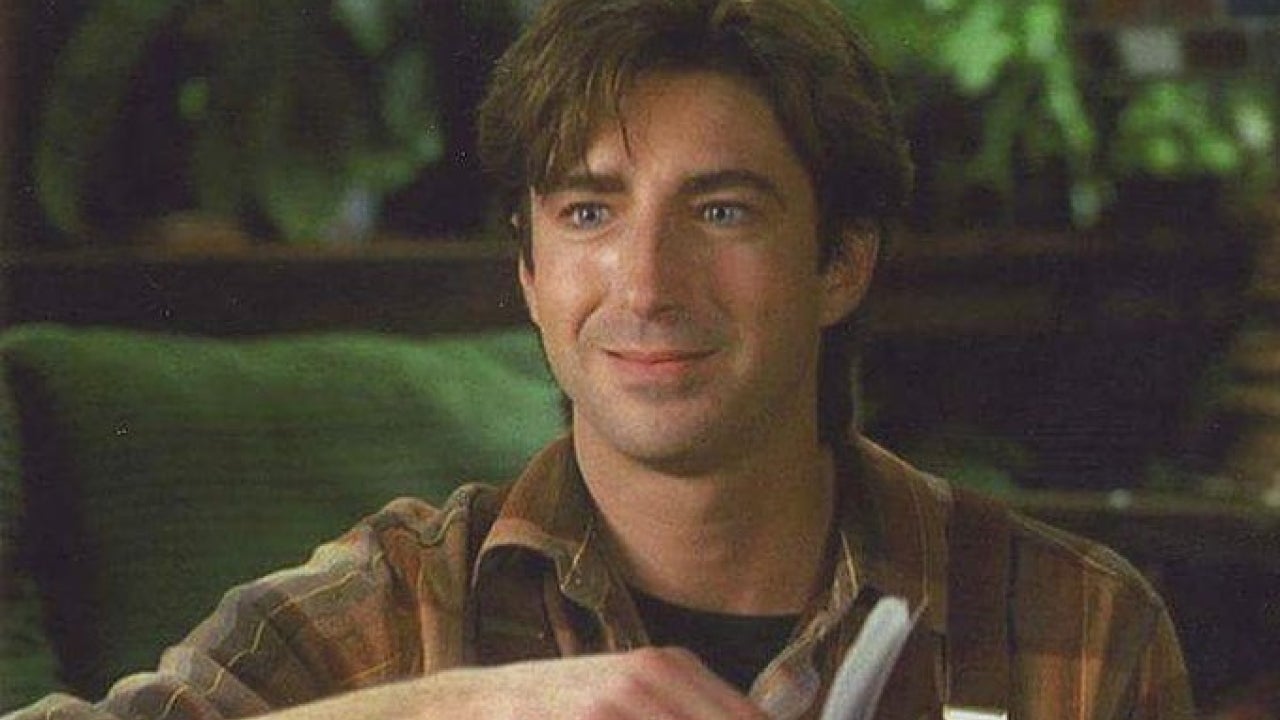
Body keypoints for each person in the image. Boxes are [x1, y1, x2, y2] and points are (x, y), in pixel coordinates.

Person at [7, 0, 1195, 718]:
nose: (646, 284)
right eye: (587, 213)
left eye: (721, 212)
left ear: (839, 262)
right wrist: (449, 709)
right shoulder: (399, 607)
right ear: (530, 274)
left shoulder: (1070, 625)